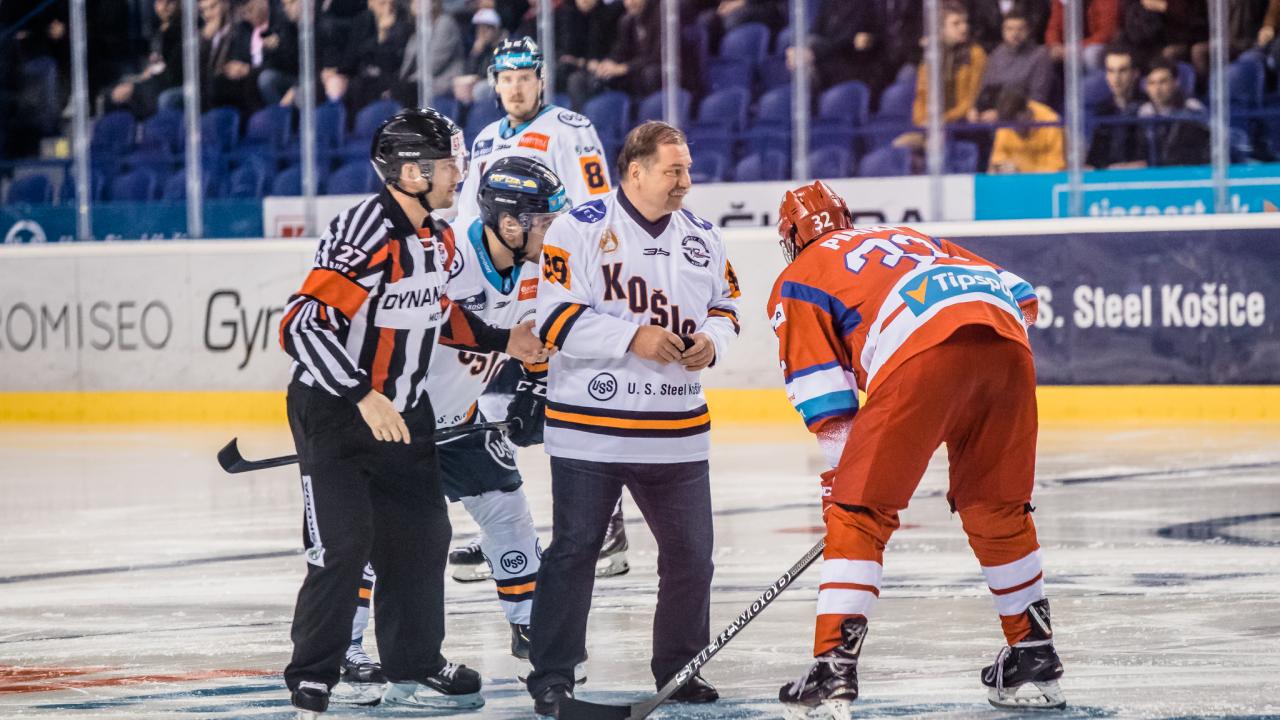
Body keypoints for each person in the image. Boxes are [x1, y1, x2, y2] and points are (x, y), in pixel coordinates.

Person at [277, 107, 546, 718]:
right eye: (451, 163)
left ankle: (416, 661)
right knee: (343, 546)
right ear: (412, 171)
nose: (462, 174)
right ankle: (313, 671)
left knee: (424, 538)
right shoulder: (370, 233)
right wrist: (361, 395)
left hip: (405, 413)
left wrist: (506, 342)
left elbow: (438, 315)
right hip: (336, 410)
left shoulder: (439, 237)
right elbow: (302, 325)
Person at [767, 182, 1065, 716]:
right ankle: (1032, 648)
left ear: (791, 237)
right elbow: (1024, 295)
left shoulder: (799, 275)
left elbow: (824, 395)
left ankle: (834, 665)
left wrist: (845, 487)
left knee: (858, 512)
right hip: (1005, 342)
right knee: (996, 507)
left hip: (921, 351)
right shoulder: (908, 235)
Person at [525, 121, 741, 717]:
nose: (686, 182)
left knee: (692, 555)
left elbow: (728, 309)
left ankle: (681, 667)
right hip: (588, 428)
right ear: (636, 170)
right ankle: (552, 676)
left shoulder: (702, 235)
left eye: (688, 170)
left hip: (677, 429)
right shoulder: (578, 228)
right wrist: (633, 337)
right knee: (575, 550)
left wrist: (711, 343)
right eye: (675, 171)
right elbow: (554, 320)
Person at [341, 156, 571, 693]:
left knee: (508, 509)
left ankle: (527, 624)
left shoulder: (543, 263)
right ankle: (345, 645)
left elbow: (549, 330)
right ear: (510, 222)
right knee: (376, 539)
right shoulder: (449, 255)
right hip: (399, 421)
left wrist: (534, 381)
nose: (554, 232)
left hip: (464, 417)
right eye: (545, 221)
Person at [451, 36, 633, 582]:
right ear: (493, 82)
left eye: (524, 77)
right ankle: (502, 533)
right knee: (477, 401)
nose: (515, 87)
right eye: (505, 78)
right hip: (498, 284)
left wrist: (578, 281)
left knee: (573, 407)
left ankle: (605, 531)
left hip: (554, 283)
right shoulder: (483, 139)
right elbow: (468, 216)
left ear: (541, 78)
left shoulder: (570, 129)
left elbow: (596, 207)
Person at [1086, 45, 1149, 169]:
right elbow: (1094, 161)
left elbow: (1153, 160)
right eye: (1111, 71)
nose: (1116, 78)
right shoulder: (1102, 112)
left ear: (1135, 74)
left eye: (1122, 70)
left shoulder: (1148, 109)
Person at [1137, 58, 1209, 166]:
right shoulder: (1143, 113)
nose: (1157, 89)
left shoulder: (1192, 108)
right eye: (1152, 83)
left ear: (1176, 82)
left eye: (1163, 82)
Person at [987, 87, 1065, 173]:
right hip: (1014, 182)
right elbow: (995, 163)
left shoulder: (1051, 122)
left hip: (1044, 181)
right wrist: (1003, 167)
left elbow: (1056, 168)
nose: (1014, 129)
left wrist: (1023, 174)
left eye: (1016, 123)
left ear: (1026, 113)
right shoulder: (1006, 124)